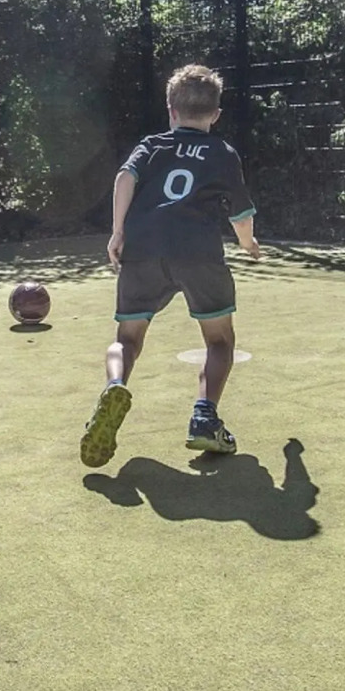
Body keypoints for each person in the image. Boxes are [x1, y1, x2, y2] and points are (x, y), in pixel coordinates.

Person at [80, 64, 260, 469]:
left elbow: (125, 177)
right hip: (198, 251)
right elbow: (241, 213)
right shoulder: (222, 153)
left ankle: (114, 385)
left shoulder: (153, 144)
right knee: (219, 341)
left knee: (127, 338)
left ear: (171, 110)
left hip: (143, 246)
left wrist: (117, 231)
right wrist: (248, 244)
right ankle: (204, 417)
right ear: (215, 113)